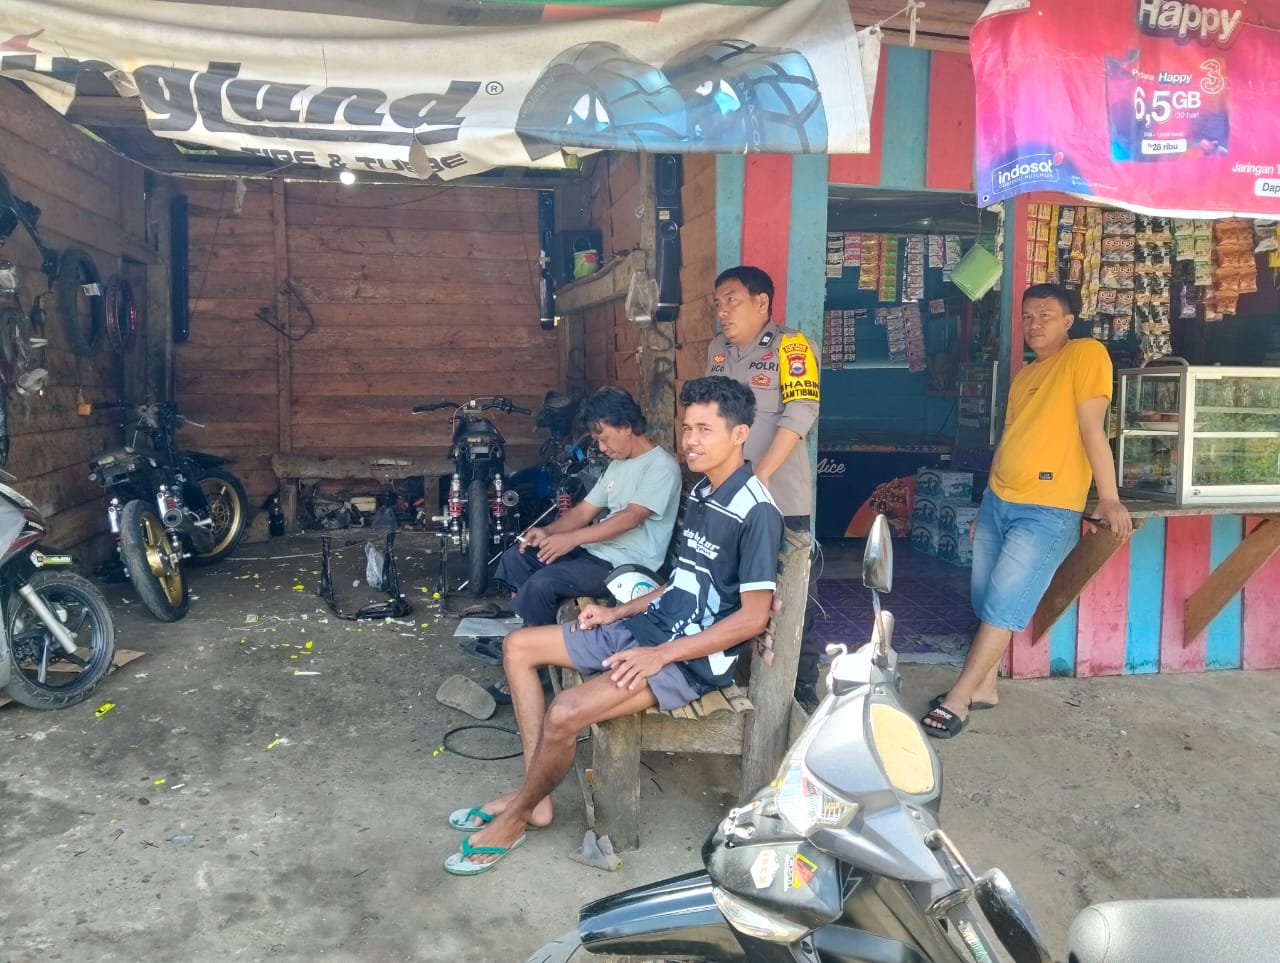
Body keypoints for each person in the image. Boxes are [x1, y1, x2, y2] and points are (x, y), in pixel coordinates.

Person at [443, 376, 782, 875]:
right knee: (518, 647)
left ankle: (516, 816)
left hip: (687, 662)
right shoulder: (705, 492)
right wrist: (617, 612)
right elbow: (681, 581)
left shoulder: (756, 511)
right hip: (650, 627)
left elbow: (752, 617)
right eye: (688, 427)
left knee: (565, 711)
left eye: (704, 430)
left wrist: (660, 655)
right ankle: (535, 798)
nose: (690, 440)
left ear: (739, 435)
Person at [921, 283, 1133, 739]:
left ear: (1069, 320)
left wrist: (1109, 496)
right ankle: (986, 687)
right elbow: (1008, 440)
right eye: (1028, 316)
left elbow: (1092, 430)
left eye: (1046, 315)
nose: (1034, 324)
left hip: (1047, 508)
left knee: (1004, 604)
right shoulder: (1025, 376)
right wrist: (985, 501)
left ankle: (960, 697)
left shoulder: (1085, 355)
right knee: (986, 599)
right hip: (1000, 502)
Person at [488, 386, 682, 701]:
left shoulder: (661, 467)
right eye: (597, 441)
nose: (602, 448)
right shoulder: (619, 464)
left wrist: (571, 539)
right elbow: (583, 511)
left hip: (626, 566)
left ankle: (535, 660)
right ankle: (534, 640)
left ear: (626, 426)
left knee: (543, 582)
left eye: (605, 438)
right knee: (519, 556)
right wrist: (548, 532)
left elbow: (630, 518)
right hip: (596, 553)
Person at [706, 265, 822, 711]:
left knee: (792, 592)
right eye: (718, 303)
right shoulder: (718, 350)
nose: (722, 311)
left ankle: (802, 682)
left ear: (761, 302)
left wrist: (761, 475)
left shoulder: (792, 347)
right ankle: (733, 671)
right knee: (730, 582)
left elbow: (801, 412)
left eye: (731, 300)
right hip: (728, 497)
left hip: (779, 499)